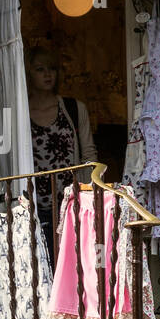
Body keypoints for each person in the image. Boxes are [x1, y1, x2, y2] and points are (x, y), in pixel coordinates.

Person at [26, 47, 95, 244]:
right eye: (40, 69)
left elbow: (89, 153)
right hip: (35, 206)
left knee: (74, 265)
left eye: (52, 69)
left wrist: (89, 194)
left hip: (72, 203)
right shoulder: (21, 113)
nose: (48, 74)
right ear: (29, 73)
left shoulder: (74, 108)